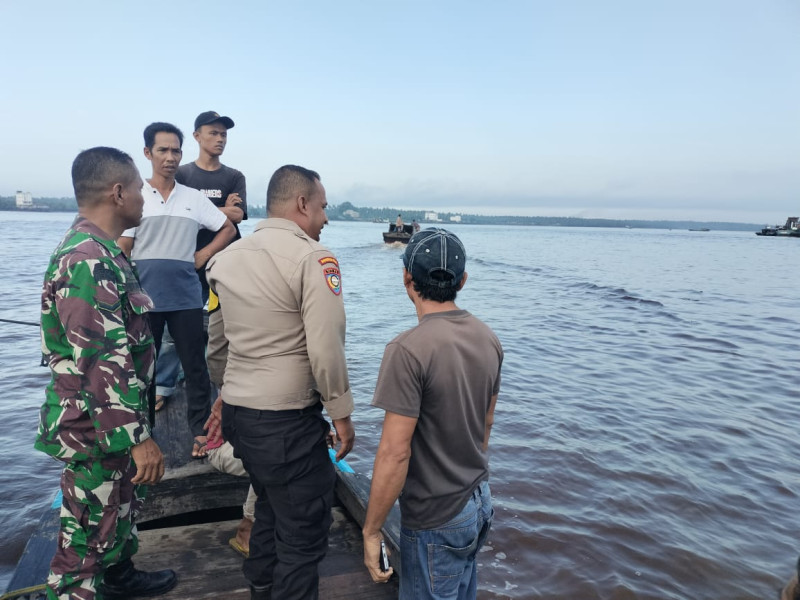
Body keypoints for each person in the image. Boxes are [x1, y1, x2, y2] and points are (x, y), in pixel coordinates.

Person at [206, 164, 355, 600]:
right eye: (323, 206)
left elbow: (216, 346)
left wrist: (225, 395)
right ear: (302, 203)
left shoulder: (224, 260)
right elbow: (326, 348)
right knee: (304, 535)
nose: (326, 217)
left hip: (240, 417)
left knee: (271, 509)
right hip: (287, 425)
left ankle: (261, 590)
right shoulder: (314, 258)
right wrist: (342, 417)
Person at [35, 147, 177, 599]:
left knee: (116, 512)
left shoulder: (105, 252)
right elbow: (101, 362)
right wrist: (139, 439)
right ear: (118, 193)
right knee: (85, 541)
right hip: (95, 429)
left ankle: (120, 578)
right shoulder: (87, 259)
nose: (143, 196)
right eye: (138, 188)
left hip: (107, 425)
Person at [362, 228, 503, 599]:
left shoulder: (407, 350)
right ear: (463, 281)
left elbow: (395, 452)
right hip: (477, 499)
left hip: (436, 518)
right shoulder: (488, 337)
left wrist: (372, 530)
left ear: (407, 277)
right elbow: (485, 424)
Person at [118, 122, 236, 458]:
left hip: (185, 298)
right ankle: (143, 435)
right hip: (145, 301)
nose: (170, 157)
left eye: (175, 151)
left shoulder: (193, 198)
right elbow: (123, 247)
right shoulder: (136, 196)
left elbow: (227, 228)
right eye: (162, 150)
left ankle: (200, 431)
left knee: (196, 367)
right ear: (147, 153)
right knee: (144, 370)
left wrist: (203, 254)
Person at [154, 111, 247, 411]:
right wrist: (221, 208)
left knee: (226, 327)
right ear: (196, 136)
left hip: (227, 263)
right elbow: (173, 209)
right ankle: (164, 386)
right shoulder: (182, 174)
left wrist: (199, 209)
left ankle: (224, 386)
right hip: (187, 260)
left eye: (223, 134)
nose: (219, 139)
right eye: (213, 133)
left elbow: (238, 216)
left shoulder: (234, 176)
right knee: (172, 333)